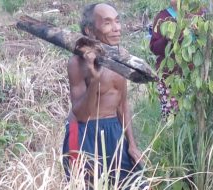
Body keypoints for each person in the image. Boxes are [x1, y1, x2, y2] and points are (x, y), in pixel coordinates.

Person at [62, 2, 149, 190]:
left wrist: (131, 144)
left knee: (136, 185)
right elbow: (82, 115)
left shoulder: (120, 58)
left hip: (114, 130)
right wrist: (94, 80)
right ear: (90, 30)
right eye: (108, 23)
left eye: (117, 21)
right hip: (84, 133)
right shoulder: (77, 63)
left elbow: (122, 104)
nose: (116, 28)